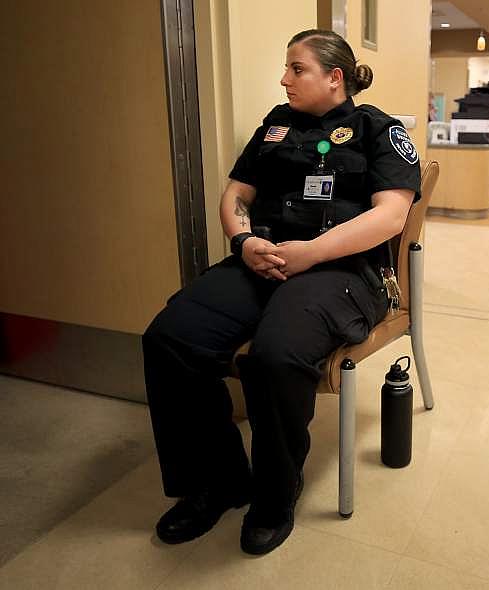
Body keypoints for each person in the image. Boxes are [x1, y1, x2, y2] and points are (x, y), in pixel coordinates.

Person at [142, 29, 420, 557]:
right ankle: (218, 480)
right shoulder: (276, 124)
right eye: (286, 68)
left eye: (297, 69)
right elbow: (236, 194)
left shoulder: (377, 130)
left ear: (334, 78)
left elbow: (390, 215)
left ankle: (274, 494)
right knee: (171, 338)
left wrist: (311, 253)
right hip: (263, 259)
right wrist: (242, 240)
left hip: (341, 271)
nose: (284, 78)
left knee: (274, 356)